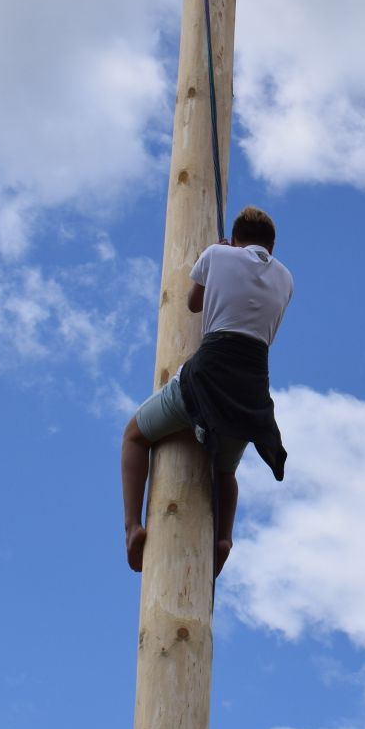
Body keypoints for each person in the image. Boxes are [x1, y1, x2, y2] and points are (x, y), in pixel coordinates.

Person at [121, 206, 293, 580]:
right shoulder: (286, 279)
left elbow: (193, 303)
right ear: (272, 246)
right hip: (251, 389)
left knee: (135, 435)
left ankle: (133, 526)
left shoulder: (217, 254)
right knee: (225, 471)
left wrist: (216, 253)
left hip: (210, 372)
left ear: (234, 238)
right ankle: (225, 538)